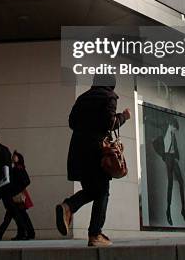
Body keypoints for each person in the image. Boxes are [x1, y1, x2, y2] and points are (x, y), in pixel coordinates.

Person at [55, 74, 131, 247]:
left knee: (92, 190)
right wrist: (124, 116)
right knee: (102, 191)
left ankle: (68, 206)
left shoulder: (82, 98)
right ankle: (95, 234)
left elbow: (72, 123)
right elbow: (109, 123)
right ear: (111, 85)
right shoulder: (109, 97)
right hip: (96, 152)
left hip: (77, 151)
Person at [0, 151, 35, 241]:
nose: (13, 157)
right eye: (13, 156)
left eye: (15, 156)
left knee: (19, 216)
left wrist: (16, 190)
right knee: (14, 216)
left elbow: (27, 181)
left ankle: (25, 234)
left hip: (16, 197)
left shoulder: (19, 168)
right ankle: (1, 234)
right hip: (14, 196)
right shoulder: (15, 168)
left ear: (19, 158)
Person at [153, 116, 185, 226]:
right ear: (171, 126)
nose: (175, 132)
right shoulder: (165, 128)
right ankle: (168, 211)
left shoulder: (173, 134)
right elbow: (155, 124)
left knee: (181, 182)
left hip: (173, 157)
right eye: (175, 129)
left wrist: (177, 156)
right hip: (167, 157)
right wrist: (146, 119)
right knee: (170, 184)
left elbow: (175, 147)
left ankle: (183, 210)